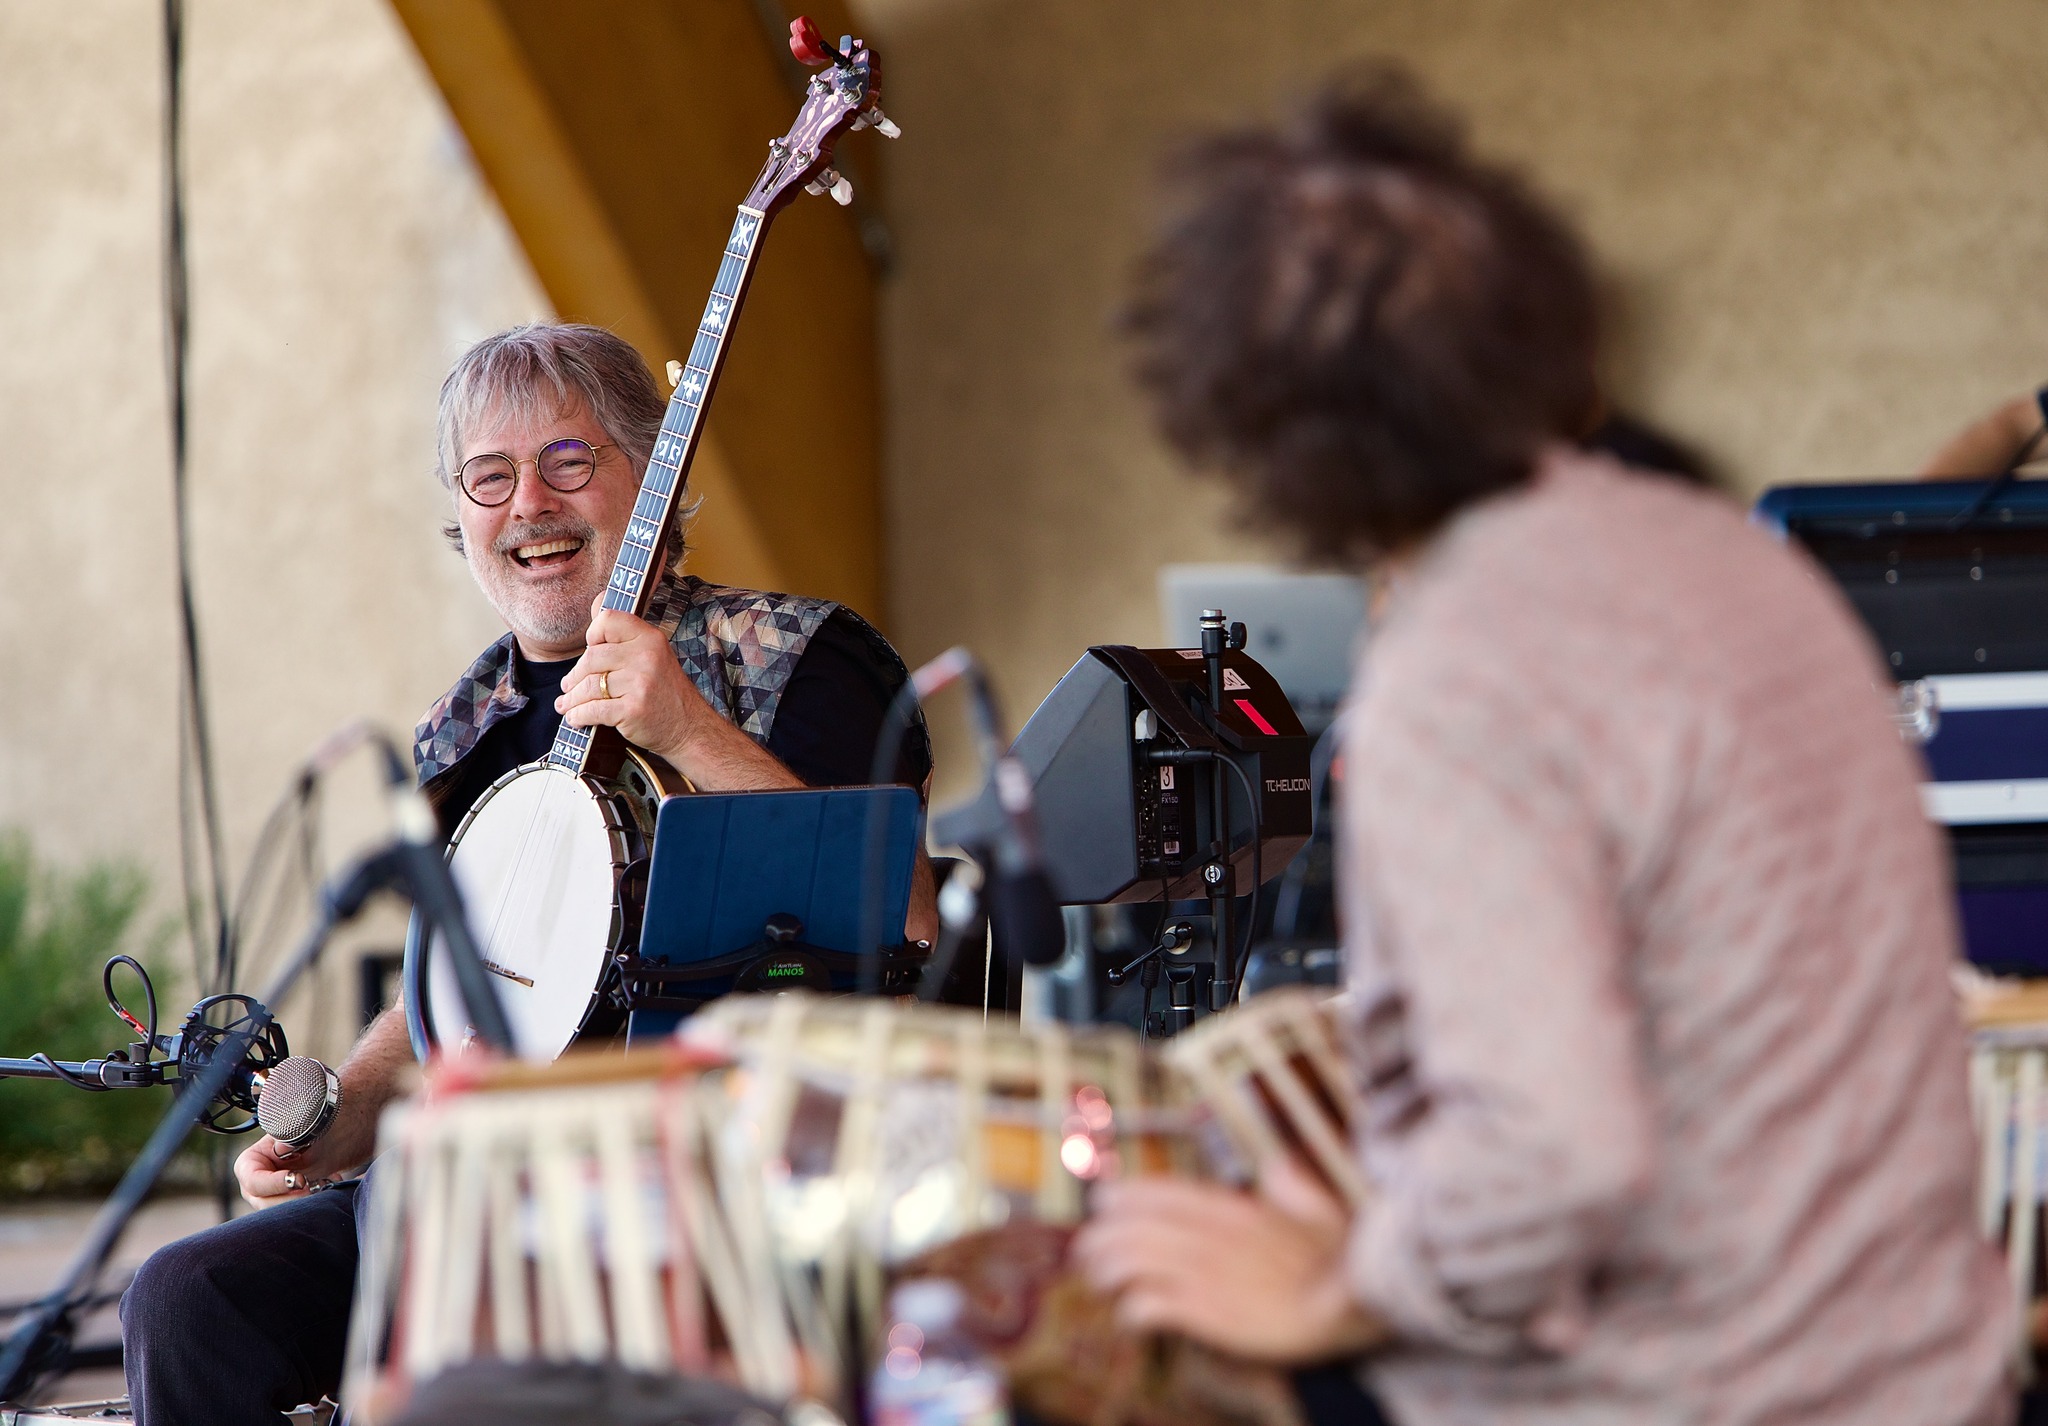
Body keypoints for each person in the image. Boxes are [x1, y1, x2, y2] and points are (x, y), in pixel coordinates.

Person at [1073, 73, 2014, 1424]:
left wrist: (1337, 1286)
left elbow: (1554, 1149)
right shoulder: (1738, 562)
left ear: (1260, 438)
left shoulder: (1464, 665)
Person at [119, 322, 937, 1426]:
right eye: (489, 478)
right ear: (459, 519)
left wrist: (686, 730)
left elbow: (909, 916)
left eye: (569, 461)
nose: (529, 508)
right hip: (490, 1201)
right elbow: (458, 993)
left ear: (655, 475)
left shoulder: (802, 657)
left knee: (437, 1182)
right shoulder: (465, 727)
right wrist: (330, 1122)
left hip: (737, 1186)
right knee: (187, 1296)